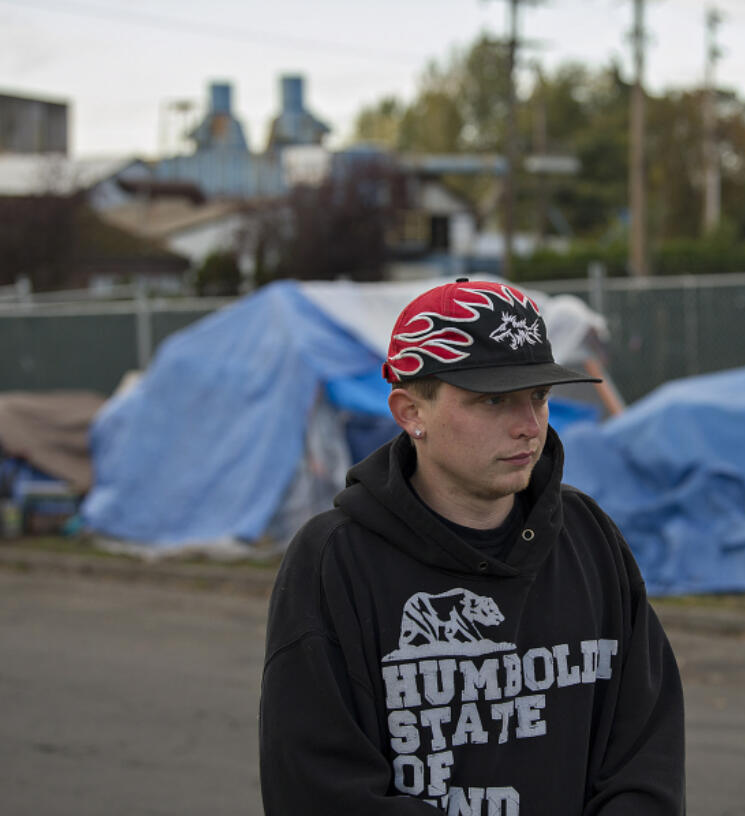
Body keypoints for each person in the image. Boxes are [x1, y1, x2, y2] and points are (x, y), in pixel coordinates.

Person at [259, 279, 685, 815]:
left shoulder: (589, 538)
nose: (529, 426)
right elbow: (319, 789)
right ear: (411, 412)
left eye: (539, 396)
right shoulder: (334, 561)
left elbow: (647, 755)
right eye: (493, 400)